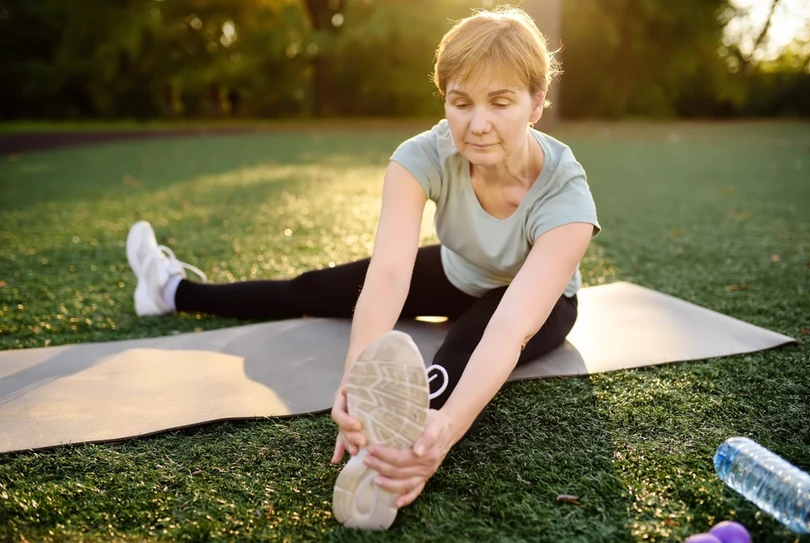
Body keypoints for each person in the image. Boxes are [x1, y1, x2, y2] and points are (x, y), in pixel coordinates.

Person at [125, 5, 600, 531]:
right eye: (460, 102)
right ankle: (171, 291)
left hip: (538, 304)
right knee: (313, 288)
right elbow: (389, 274)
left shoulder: (567, 195)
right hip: (458, 270)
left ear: (536, 104)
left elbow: (510, 328)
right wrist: (356, 379)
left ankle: (389, 463)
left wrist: (440, 437)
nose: (477, 123)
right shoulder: (422, 155)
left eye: (501, 101)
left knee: (451, 361)